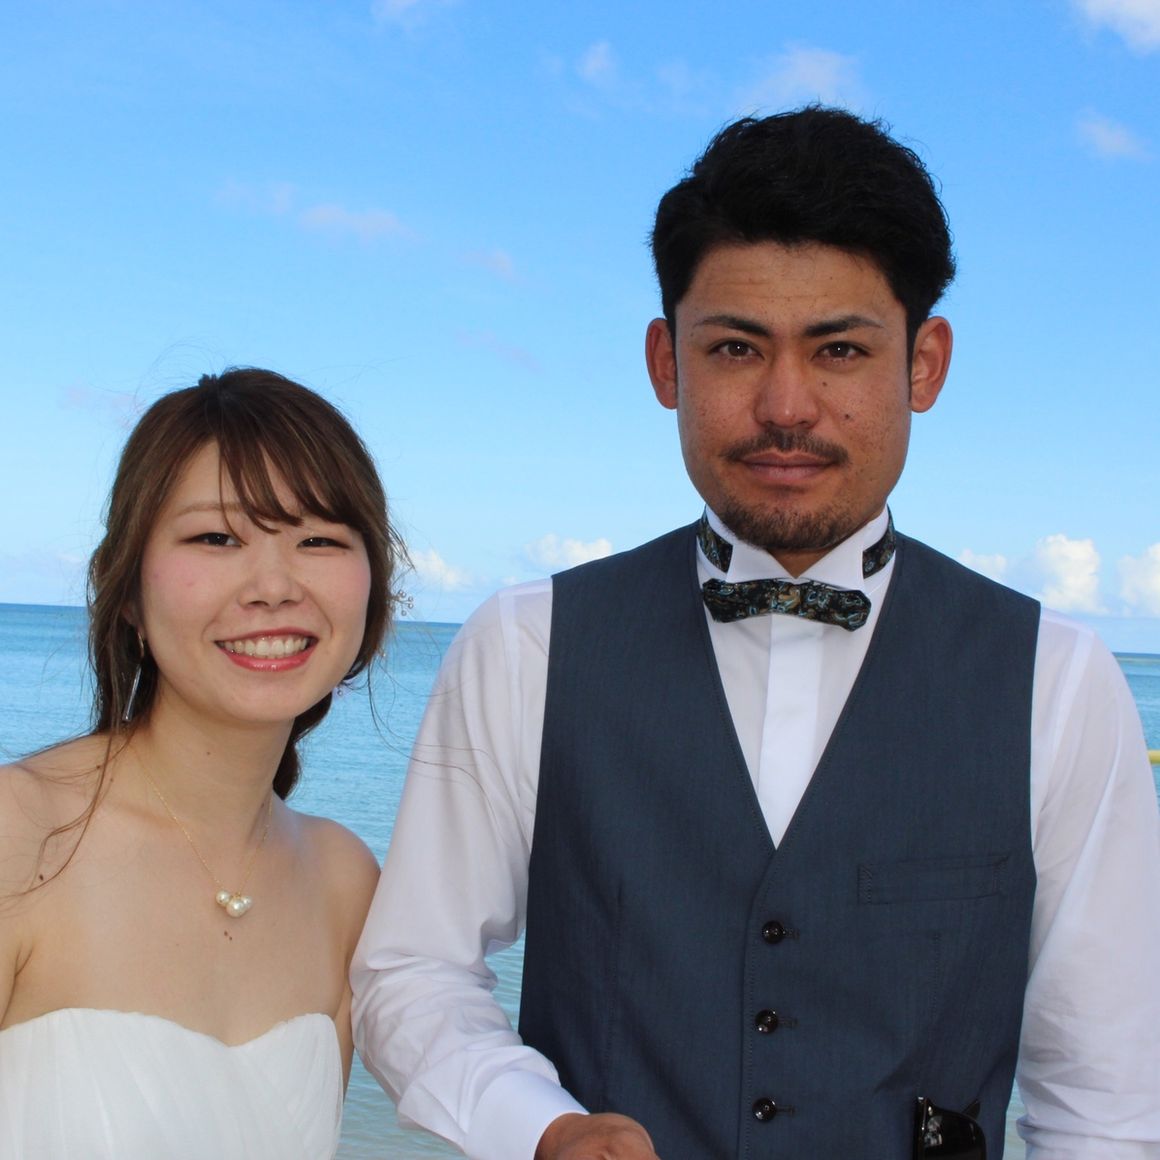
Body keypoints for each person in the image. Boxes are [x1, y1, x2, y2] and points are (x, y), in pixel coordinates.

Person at [351, 107, 1160, 1159]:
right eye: (736, 347)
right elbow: (412, 970)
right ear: (665, 362)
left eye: (838, 350)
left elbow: (1102, 1101)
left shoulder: (1057, 680)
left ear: (923, 364)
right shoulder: (525, 646)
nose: (785, 405)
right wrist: (536, 1125)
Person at [0, 369, 404, 1159]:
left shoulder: (344, 881)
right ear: (124, 588)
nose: (274, 586)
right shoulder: (21, 833)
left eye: (319, 539)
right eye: (216, 539)